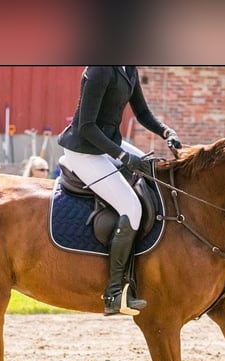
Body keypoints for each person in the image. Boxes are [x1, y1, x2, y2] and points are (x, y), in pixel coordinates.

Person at [58, 66, 182, 316]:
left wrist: (166, 132)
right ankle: (114, 293)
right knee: (131, 208)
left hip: (107, 143)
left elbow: (143, 113)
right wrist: (123, 156)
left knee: (155, 171)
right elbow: (86, 127)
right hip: (84, 150)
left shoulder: (129, 69)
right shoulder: (100, 70)